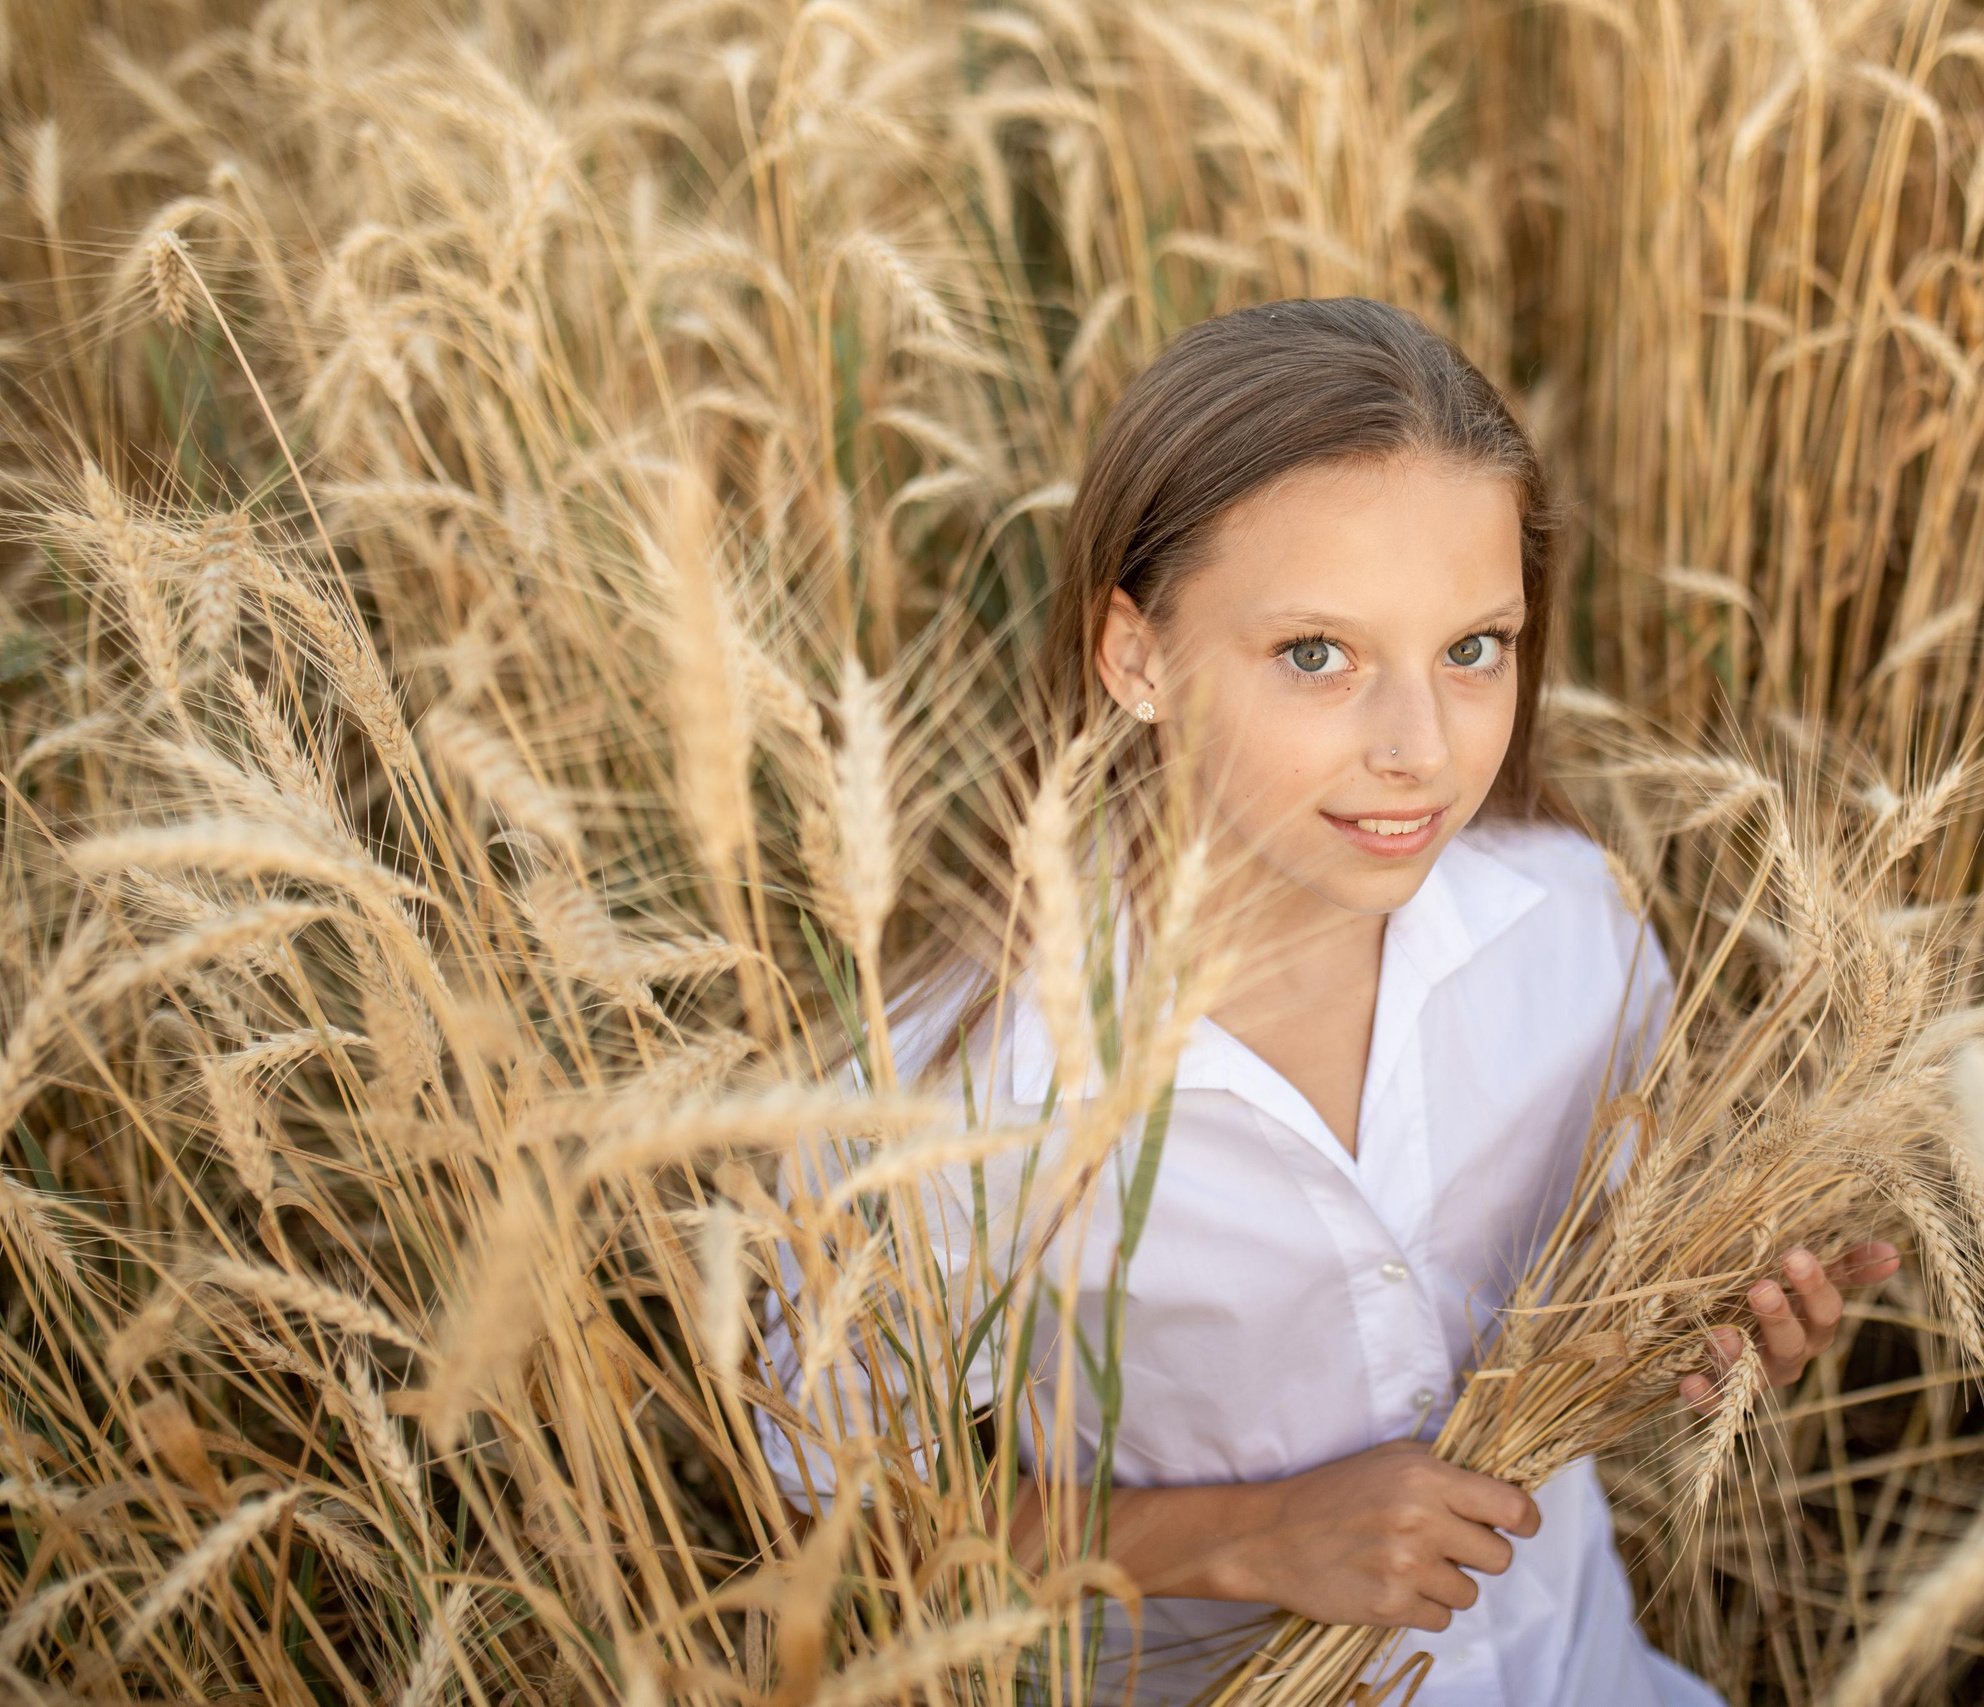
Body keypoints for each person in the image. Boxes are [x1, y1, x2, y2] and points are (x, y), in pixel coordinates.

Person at [756, 297, 1898, 1704]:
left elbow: (1609, 1283)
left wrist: (1716, 1324)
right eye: (1317, 655)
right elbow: (842, 1521)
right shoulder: (953, 1093)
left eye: (1474, 648)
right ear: (1137, 659)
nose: (1418, 748)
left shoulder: (1568, 929)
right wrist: (1247, 1540)